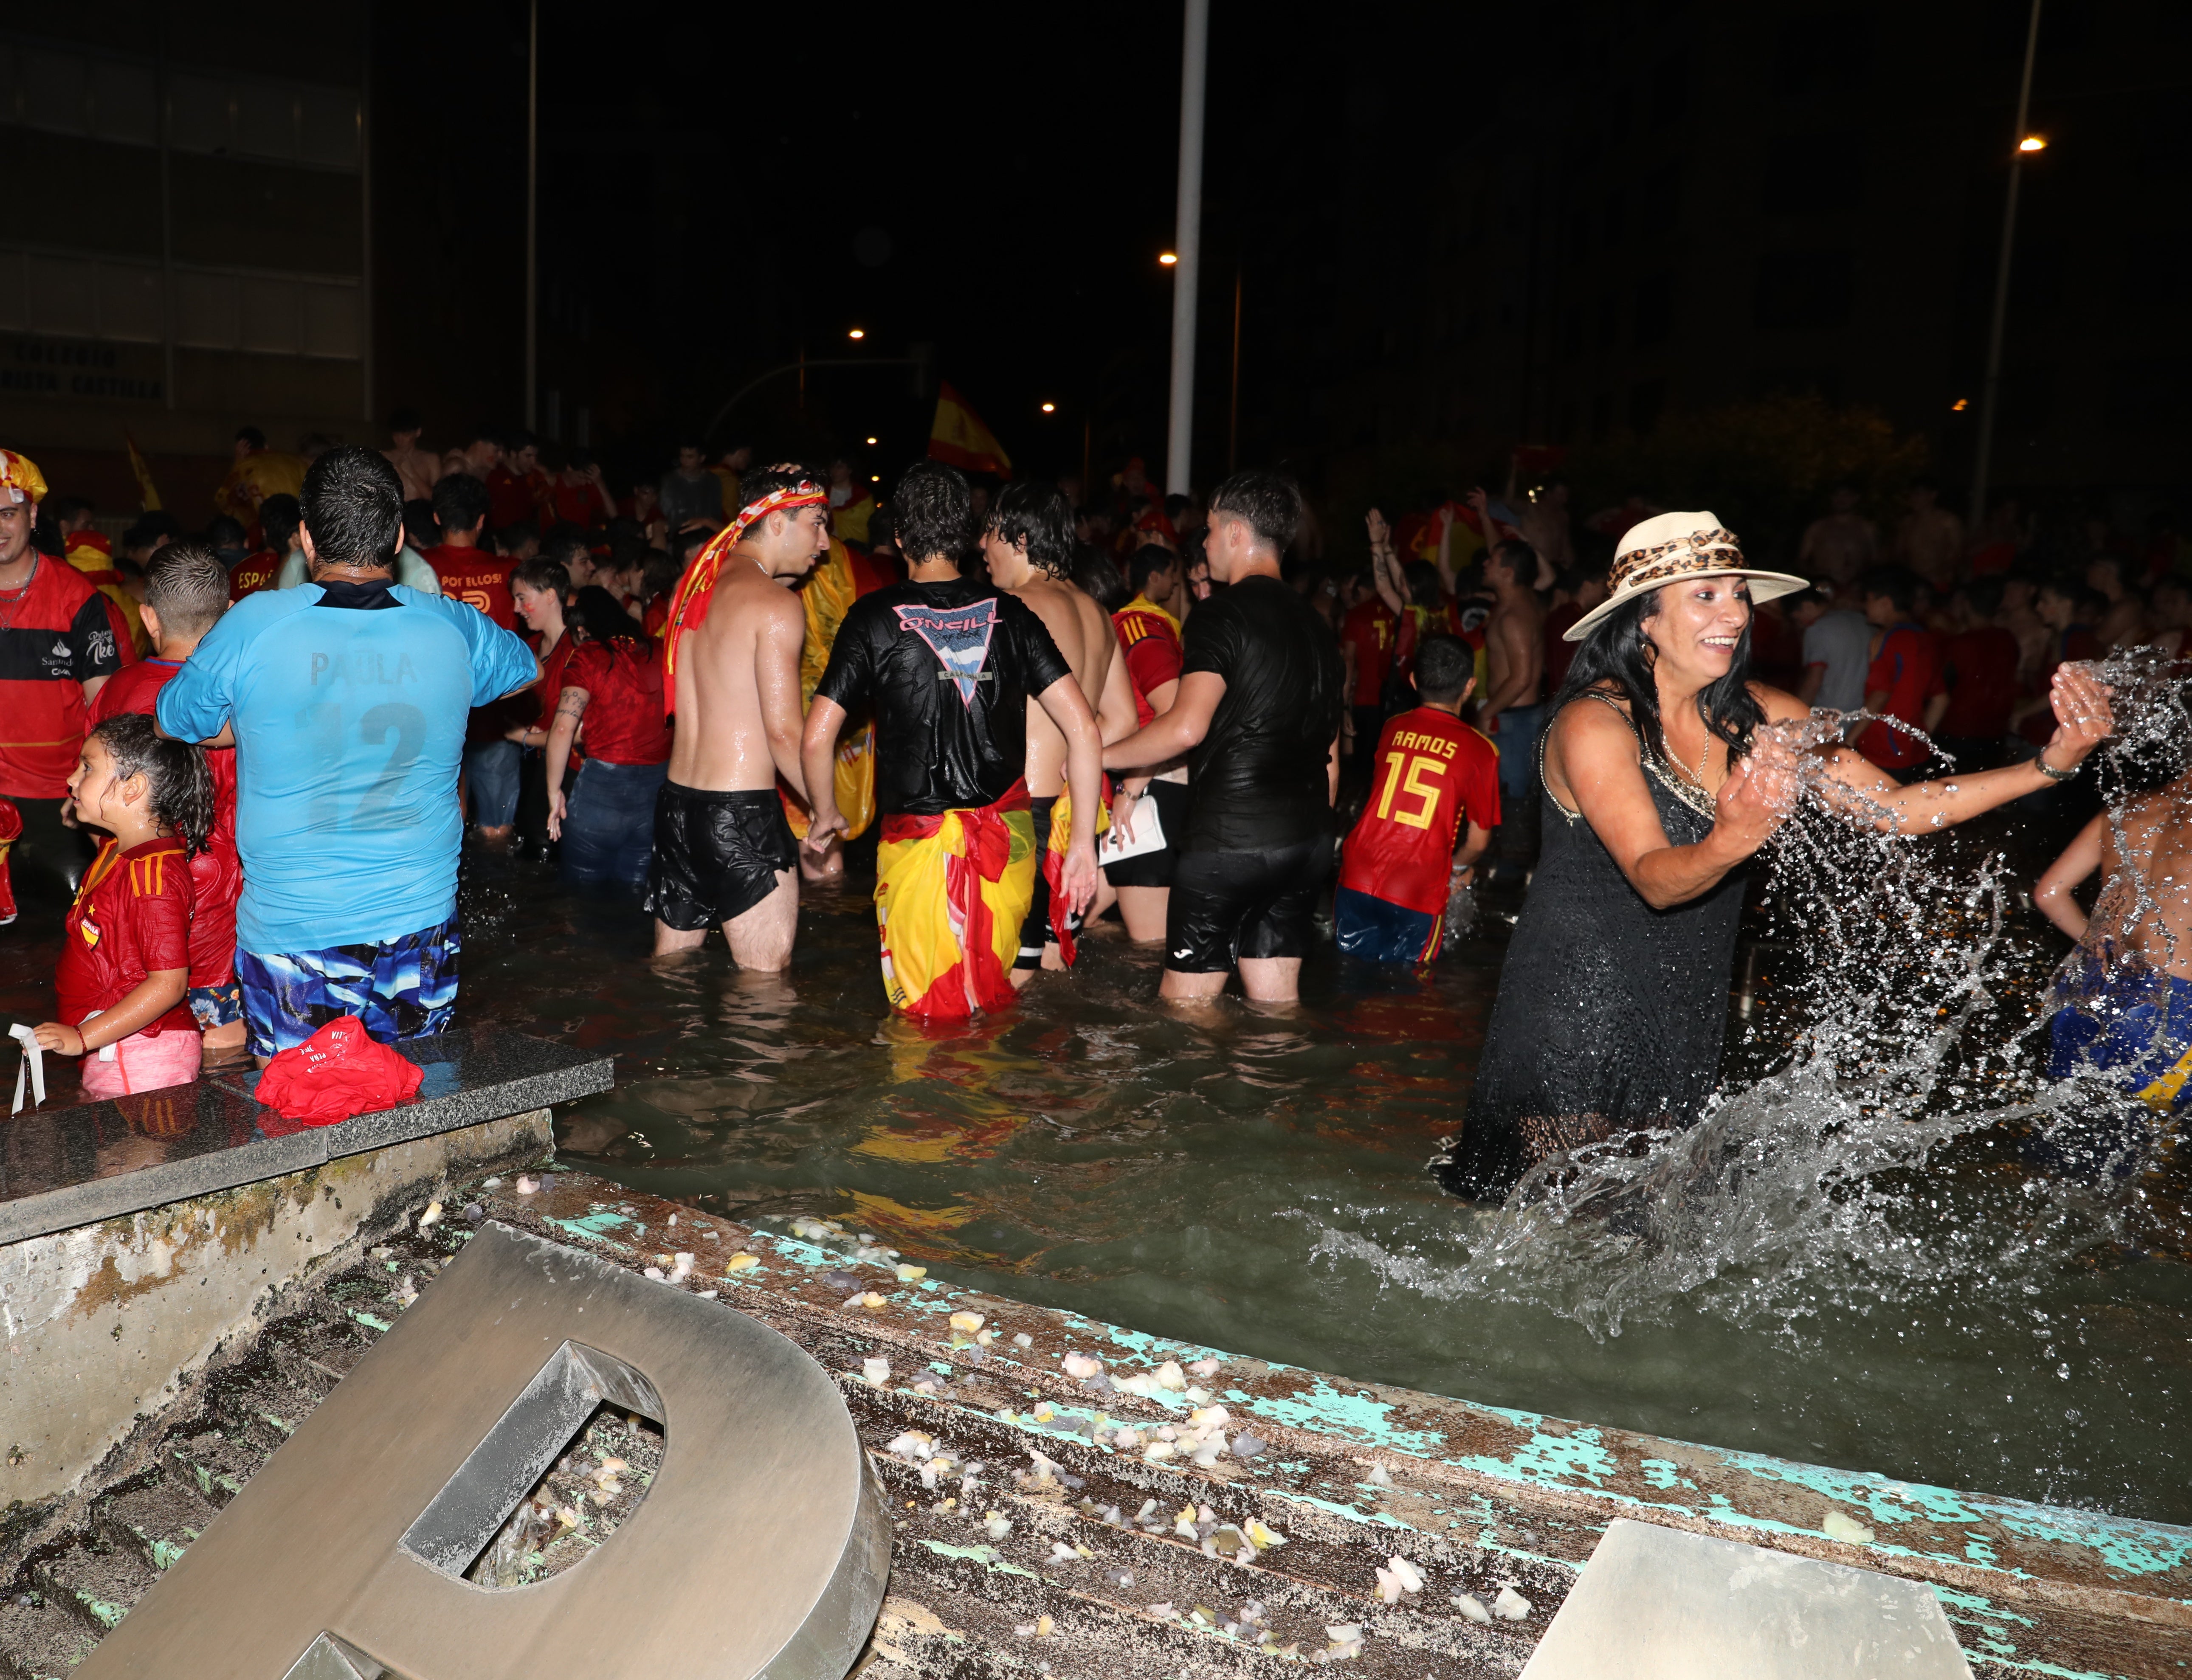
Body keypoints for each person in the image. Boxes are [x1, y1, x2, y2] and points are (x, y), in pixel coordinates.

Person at [1436, 511, 2115, 1201]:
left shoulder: (1759, 713)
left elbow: (1899, 809)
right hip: (1573, 1014)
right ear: (1643, 618)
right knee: (1553, 1229)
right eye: (1705, 595)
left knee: (1643, 1239)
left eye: (1738, 594)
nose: (1733, 612)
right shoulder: (1595, 722)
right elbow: (1654, 878)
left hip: (1682, 1016)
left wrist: (2047, 766)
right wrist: (1732, 837)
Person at [155, 447, 537, 1061]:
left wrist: (250, 722)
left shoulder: (256, 624)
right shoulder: (448, 624)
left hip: (293, 933)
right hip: (420, 925)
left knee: (295, 1117)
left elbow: (175, 719)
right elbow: (524, 671)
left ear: (305, 539)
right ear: (400, 538)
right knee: (415, 1100)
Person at [802, 461, 1100, 1019]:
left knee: (927, 1022)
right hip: (1007, 847)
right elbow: (1083, 727)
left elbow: (817, 736)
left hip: (918, 842)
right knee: (996, 1004)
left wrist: (824, 814)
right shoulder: (1013, 613)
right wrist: (1081, 844)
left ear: (897, 538)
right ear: (966, 535)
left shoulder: (871, 617)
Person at [1103, 469, 1344, 1006]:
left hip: (1230, 840)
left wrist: (1098, 756)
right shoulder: (1319, 629)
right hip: (1305, 842)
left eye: (1210, 530)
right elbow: (1331, 757)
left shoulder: (1220, 614)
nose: (1205, 542)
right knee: (1276, 1003)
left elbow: (1186, 726)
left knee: (1184, 1010)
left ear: (1236, 533)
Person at [649, 468, 829, 968]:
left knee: (672, 972)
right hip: (740, 814)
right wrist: (827, 806)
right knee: (764, 990)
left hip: (677, 806)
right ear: (775, 524)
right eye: (816, 523)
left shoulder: (689, 593)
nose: (825, 542)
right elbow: (783, 732)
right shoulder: (776, 606)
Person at [88, 542, 248, 1056]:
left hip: (138, 912)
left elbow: (92, 807)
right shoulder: (243, 695)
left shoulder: (117, 690)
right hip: (222, 914)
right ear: (227, 615)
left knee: (142, 1056)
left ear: (148, 616)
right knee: (226, 1061)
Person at [980, 481, 1135, 979]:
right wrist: (1077, 756)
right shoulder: (1097, 613)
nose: (981, 548)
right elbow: (1122, 720)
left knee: (1006, 975)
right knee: (1049, 966)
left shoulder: (1012, 610)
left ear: (1020, 539)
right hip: (1074, 815)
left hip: (1021, 813)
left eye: (990, 534)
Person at [31, 714, 214, 1097]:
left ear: (133, 789)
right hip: (119, 1046)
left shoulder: (154, 876)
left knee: (135, 1158)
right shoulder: (120, 850)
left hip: (142, 1053)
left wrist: (82, 1037)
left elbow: (169, 984)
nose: (71, 779)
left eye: (88, 767)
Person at [0, 449, 126, 898]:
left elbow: (108, 708)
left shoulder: (77, 599)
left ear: (32, 515)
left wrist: (93, 796)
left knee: (71, 908)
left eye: (8, 514)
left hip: (58, 802)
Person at [2034, 775, 2192, 1133]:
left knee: (2066, 1125)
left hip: (2089, 986)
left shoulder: (2126, 807)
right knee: (2148, 1144)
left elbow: (2049, 894)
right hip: (2171, 1008)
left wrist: (2099, 947)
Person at [1335, 635, 1499, 964]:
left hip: (1358, 871)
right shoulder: (1482, 751)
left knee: (1352, 978)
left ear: (1413, 681)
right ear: (1469, 686)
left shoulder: (1392, 727)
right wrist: (1456, 870)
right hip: (1416, 887)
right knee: (1409, 993)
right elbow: (1479, 843)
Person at [545, 586, 672, 892]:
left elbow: (563, 728)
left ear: (583, 628)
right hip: (655, 794)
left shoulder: (589, 655)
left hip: (601, 793)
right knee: (636, 898)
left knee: (581, 897)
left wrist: (554, 792)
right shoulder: (661, 649)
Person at [423, 472, 525, 845]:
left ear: (437, 517)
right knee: (498, 829)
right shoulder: (509, 571)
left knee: (433, 828)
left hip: (429, 716)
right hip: (493, 716)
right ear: (482, 521)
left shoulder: (417, 571)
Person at [1105, 545, 1192, 943]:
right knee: (1078, 919)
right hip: (1145, 788)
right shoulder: (1142, 627)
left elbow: (1174, 712)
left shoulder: (1137, 629)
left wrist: (1132, 785)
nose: (1180, 586)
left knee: (1150, 948)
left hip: (1153, 788)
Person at [1922, 578, 2020, 771]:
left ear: (1966, 605)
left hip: (1958, 733)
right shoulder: (2008, 639)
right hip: (1996, 732)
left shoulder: (1959, 644)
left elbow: (1939, 687)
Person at [1852, 566, 1939, 777]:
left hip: (1882, 748)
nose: (1865, 607)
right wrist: (1919, 738)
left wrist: (1850, 739)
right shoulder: (1926, 638)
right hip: (1915, 752)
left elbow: (1880, 694)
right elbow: (1941, 699)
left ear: (1885, 602)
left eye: (1868, 600)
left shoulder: (1887, 639)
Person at [1787, 585, 1871, 718]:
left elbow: (1814, 680)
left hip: (1831, 712)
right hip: (1864, 712)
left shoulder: (1817, 628)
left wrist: (1795, 718)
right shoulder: (1863, 621)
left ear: (1808, 606)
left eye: (1798, 620)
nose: (1800, 625)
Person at [1796, 484, 1879, 592]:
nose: (1841, 500)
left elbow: (1877, 560)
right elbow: (1801, 561)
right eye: (1837, 496)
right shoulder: (1817, 528)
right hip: (1823, 587)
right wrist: (1819, 575)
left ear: (1856, 498)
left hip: (1857, 588)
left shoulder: (1867, 529)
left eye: (1846, 496)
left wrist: (1862, 578)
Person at [1892, 479, 1964, 593]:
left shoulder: (1948, 521)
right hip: (1913, 582)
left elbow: (1959, 553)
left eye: (1918, 494)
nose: (1913, 499)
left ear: (1933, 495)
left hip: (1939, 582)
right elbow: (1899, 553)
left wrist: (1941, 572)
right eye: (1911, 495)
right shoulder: (1907, 523)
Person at [487, 431, 549, 532]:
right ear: (514, 454)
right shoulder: (494, 476)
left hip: (525, 539)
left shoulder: (535, 478)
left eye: (535, 457)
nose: (533, 462)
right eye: (528, 456)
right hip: (499, 540)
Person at [660, 442, 725, 532]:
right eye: (682, 456)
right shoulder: (669, 480)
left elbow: (716, 514)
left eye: (690, 457)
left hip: (705, 535)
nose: (684, 461)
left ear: (702, 458)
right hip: (678, 536)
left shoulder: (712, 481)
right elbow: (666, 513)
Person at [381, 408, 442, 503]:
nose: (400, 440)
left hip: (421, 514)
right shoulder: (385, 458)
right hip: (395, 514)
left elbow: (438, 499)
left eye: (405, 435)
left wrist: (411, 473)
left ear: (418, 432)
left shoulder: (431, 460)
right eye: (396, 435)